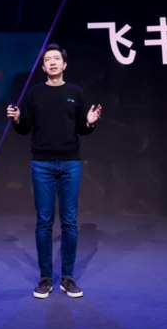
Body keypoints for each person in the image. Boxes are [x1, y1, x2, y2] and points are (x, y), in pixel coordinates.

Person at [7, 43, 102, 299]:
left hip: (71, 164)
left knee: (69, 222)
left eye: (56, 58)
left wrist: (89, 123)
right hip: (42, 164)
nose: (52, 62)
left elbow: (82, 128)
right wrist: (17, 118)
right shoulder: (34, 93)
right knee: (44, 222)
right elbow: (24, 128)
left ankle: (68, 278)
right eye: (48, 59)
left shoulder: (75, 92)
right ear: (43, 67)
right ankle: (46, 278)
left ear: (64, 64)